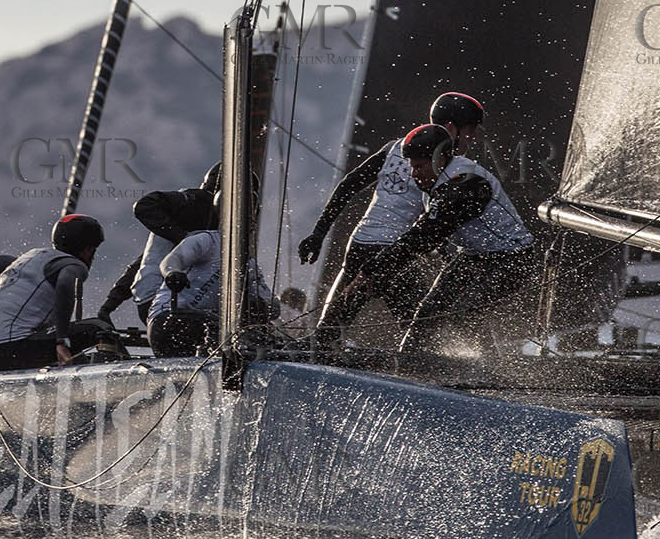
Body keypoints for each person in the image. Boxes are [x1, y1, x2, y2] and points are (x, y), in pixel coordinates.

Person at [298, 92, 486, 346]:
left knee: (325, 336)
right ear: (451, 128)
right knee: (424, 336)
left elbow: (348, 185)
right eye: (470, 131)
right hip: (390, 255)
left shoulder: (395, 147)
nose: (473, 138)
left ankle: (299, 356)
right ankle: (430, 374)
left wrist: (318, 234)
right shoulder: (449, 164)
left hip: (359, 245)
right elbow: (437, 223)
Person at [367, 124, 535, 355]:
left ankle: (477, 368)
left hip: (513, 260)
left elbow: (424, 237)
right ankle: (409, 358)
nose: (414, 175)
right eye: (411, 168)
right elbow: (428, 235)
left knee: (461, 314)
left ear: (440, 158)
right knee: (427, 313)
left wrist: (373, 271)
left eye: (419, 167)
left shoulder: (466, 183)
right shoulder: (435, 177)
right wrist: (376, 271)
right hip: (474, 256)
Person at [147, 192, 276, 356]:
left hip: (212, 327)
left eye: (251, 217)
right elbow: (172, 260)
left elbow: (273, 305)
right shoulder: (206, 241)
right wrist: (173, 273)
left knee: (242, 340)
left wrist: (262, 305)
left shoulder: (250, 265)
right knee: (222, 335)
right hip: (170, 320)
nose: (246, 223)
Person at [0, 214, 105, 370]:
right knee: (99, 328)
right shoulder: (74, 265)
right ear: (88, 250)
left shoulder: (31, 257)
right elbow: (65, 284)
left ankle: (74, 362)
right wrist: (61, 341)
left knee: (60, 336)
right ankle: (118, 371)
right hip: (11, 350)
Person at [98, 164, 221, 325]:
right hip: (168, 302)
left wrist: (110, 304)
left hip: (150, 303)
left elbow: (144, 263)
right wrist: (184, 238)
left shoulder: (186, 232)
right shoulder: (196, 203)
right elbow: (145, 205)